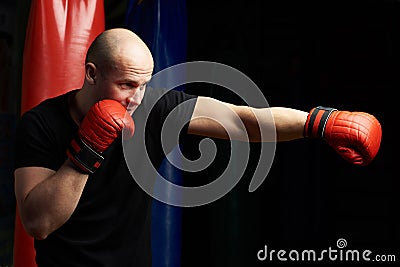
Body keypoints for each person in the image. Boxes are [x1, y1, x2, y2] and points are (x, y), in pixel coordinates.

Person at [14, 28, 382, 266]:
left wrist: (319, 123)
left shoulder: (155, 109)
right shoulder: (40, 124)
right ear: (92, 73)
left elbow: (243, 119)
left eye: (143, 85)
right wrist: (89, 147)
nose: (136, 99)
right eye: (126, 85)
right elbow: (39, 223)